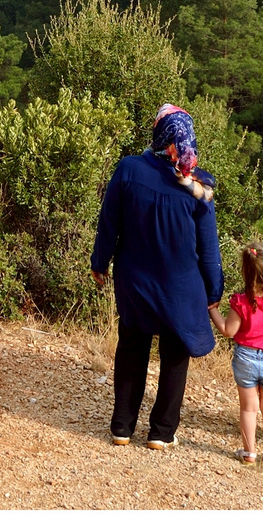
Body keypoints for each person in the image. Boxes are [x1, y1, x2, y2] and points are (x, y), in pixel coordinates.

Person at [90, 104, 222, 450]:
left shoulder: (129, 168)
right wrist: (214, 290)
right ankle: (162, 433)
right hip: (182, 285)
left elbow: (109, 222)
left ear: (159, 134)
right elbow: (209, 247)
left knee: (132, 346)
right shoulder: (198, 184)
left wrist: (99, 263)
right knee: (175, 355)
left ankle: (122, 427)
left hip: (135, 279)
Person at [209, 243, 263, 464]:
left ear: (248, 271)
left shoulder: (242, 301)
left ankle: (249, 452)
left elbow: (228, 331)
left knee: (249, 409)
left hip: (246, 357)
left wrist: (213, 311)